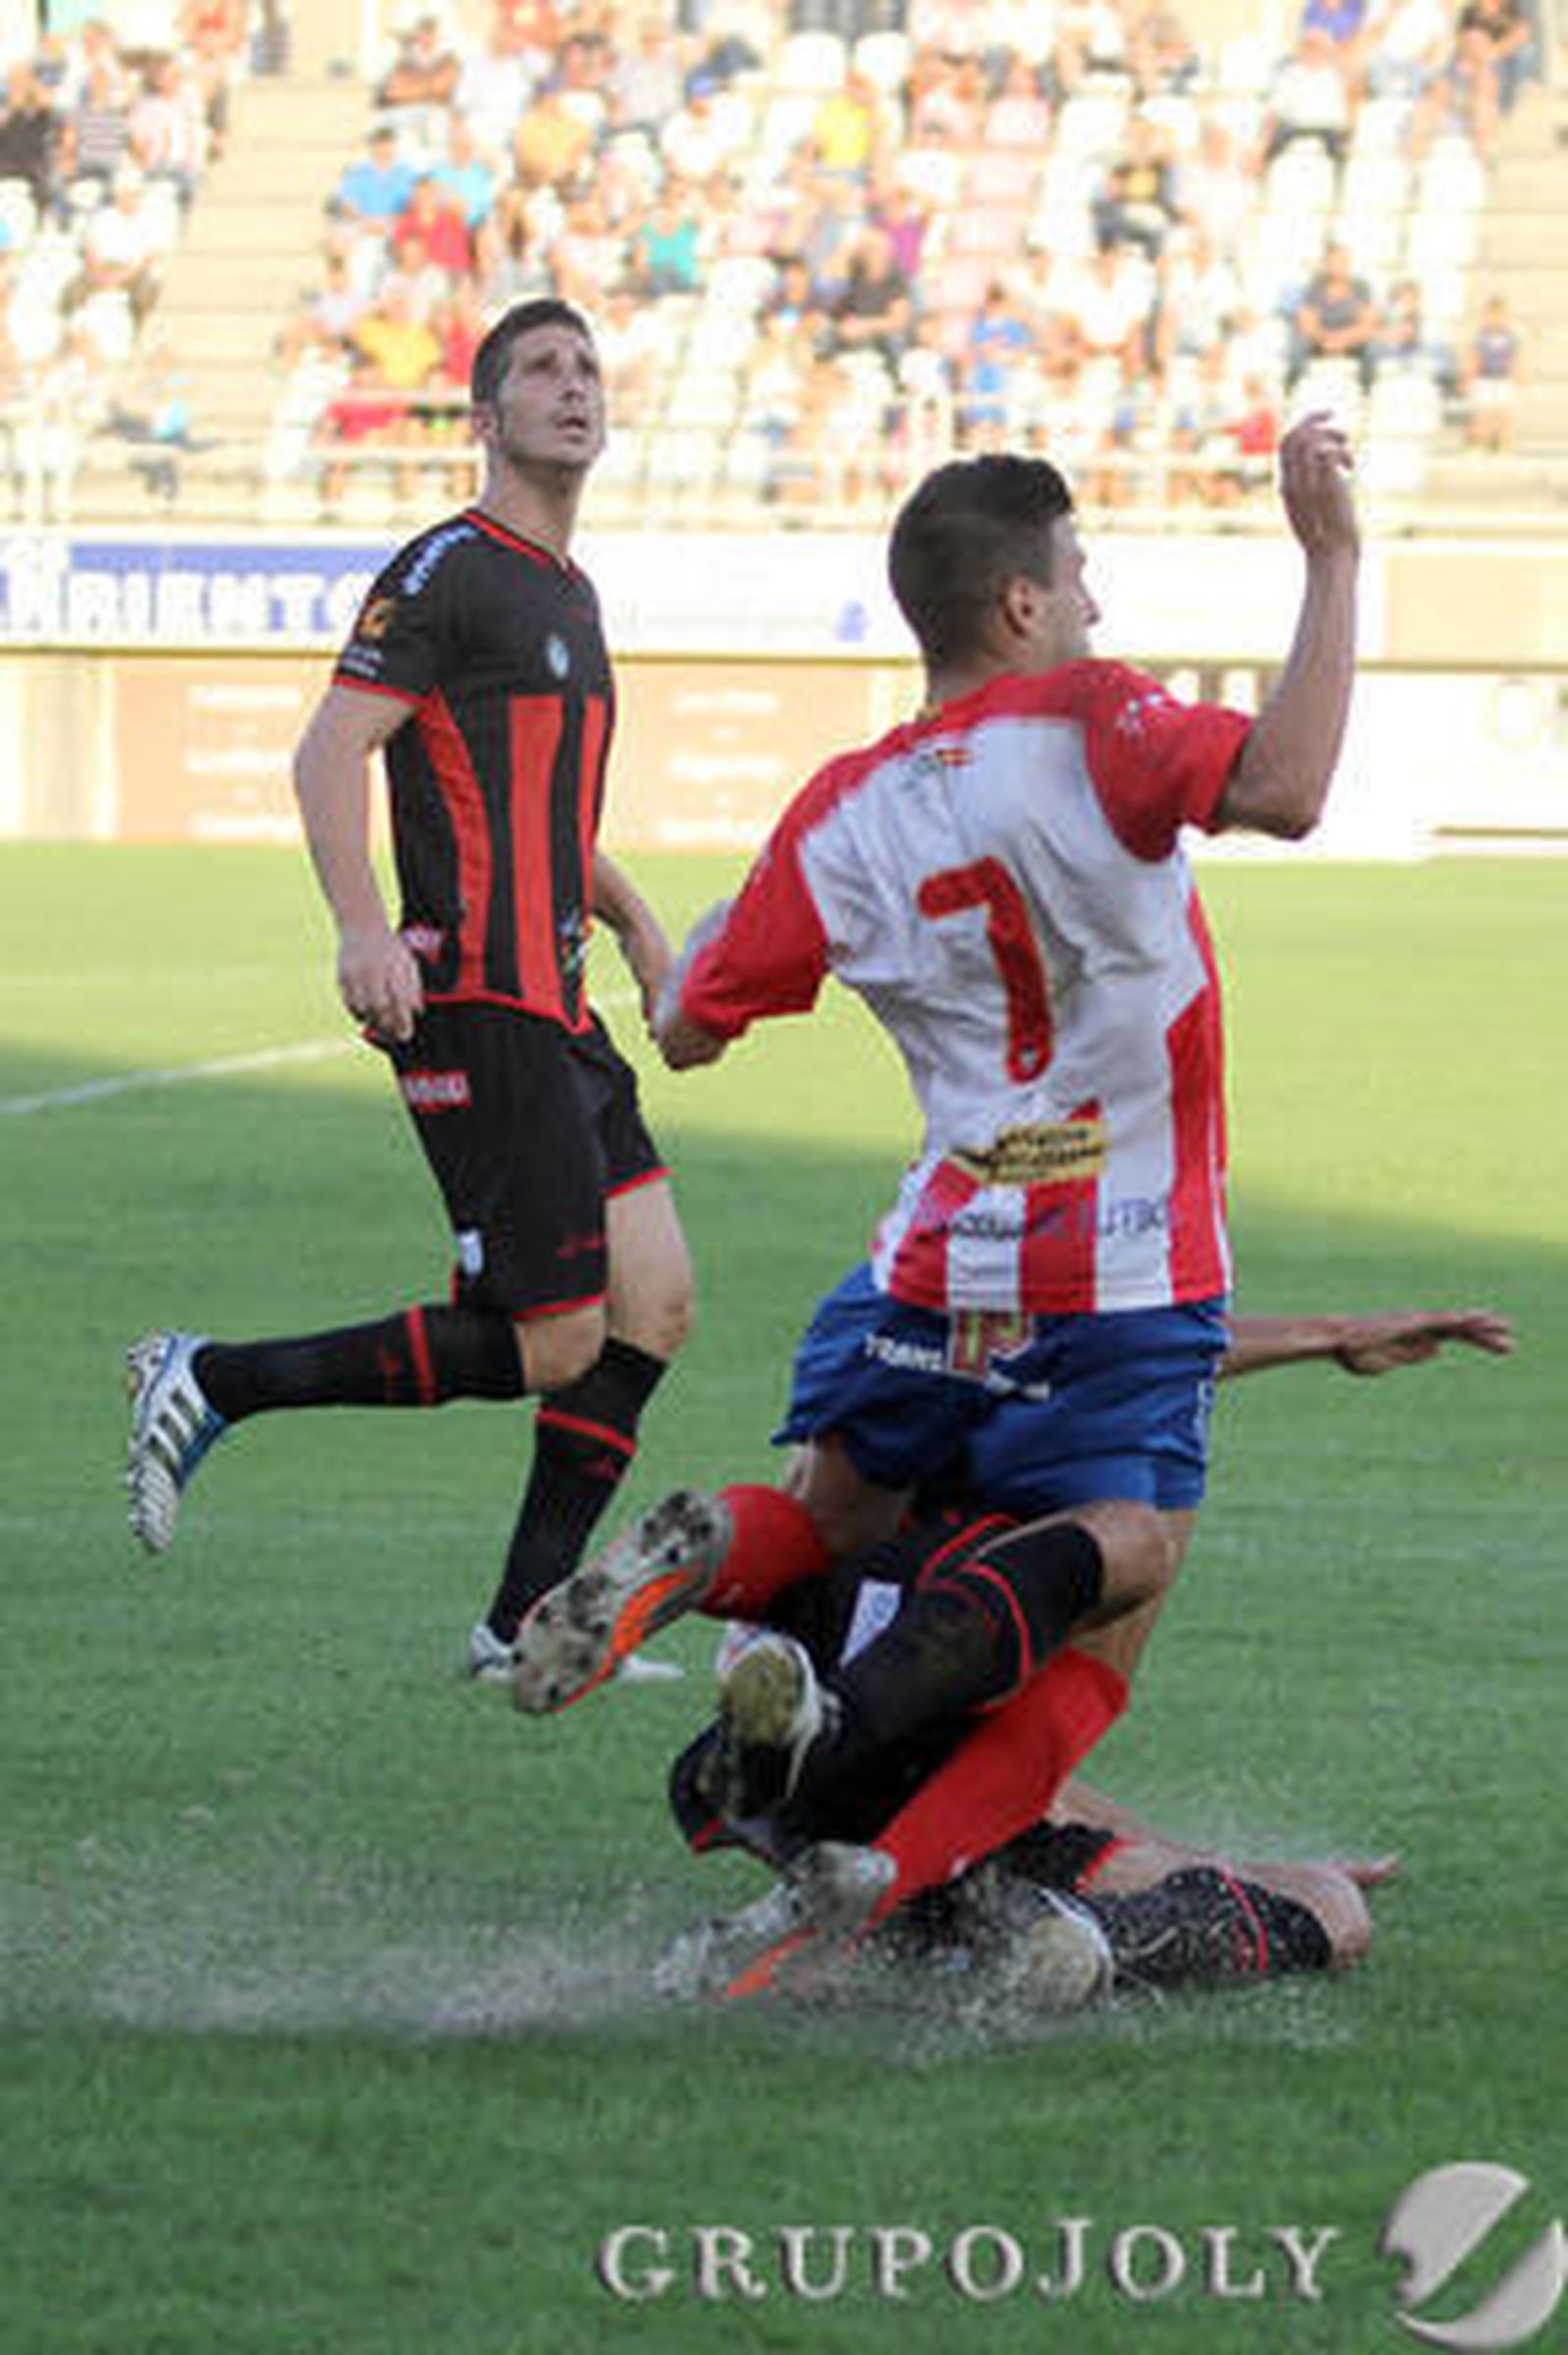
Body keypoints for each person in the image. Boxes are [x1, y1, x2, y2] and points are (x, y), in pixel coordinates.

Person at [512, 413, 1360, 1802]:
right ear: (1021, 603)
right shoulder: (1094, 720)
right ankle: (873, 1774)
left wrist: (680, 950)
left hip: (940, 1259)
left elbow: (689, 1031)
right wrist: (1330, 558)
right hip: (1118, 1261)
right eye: (1078, 577)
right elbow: (1286, 785)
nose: (1092, 606)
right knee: (1121, 1561)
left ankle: (695, 1561)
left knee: (831, 1515)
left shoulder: (841, 810)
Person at [125, 299, 694, 1681]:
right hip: (477, 1000)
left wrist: (634, 922)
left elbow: (545, 814)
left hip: (560, 1005)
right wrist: (361, 927)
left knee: (655, 1301)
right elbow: (329, 752)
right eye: (541, 370)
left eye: (587, 367)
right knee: (552, 1341)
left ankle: (522, 1623)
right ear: (487, 417)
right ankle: (210, 1377)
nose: (574, 386)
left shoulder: (568, 591)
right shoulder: (449, 568)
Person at [649, 1304, 1510, 2000]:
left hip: (779, 1789)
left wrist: (1328, 1337)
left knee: (971, 1762)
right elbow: (1032, 1769)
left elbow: (1134, 1359)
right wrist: (1215, 1869)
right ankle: (1073, 1940)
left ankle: (921, 1910)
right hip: (950, 1816)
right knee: (1331, 1905)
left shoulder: (852, 1488)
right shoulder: (1051, 1547)